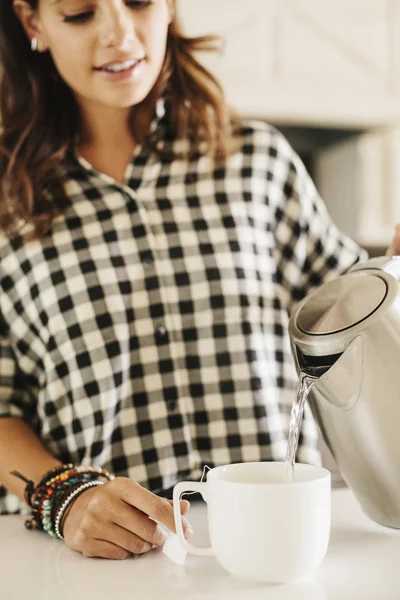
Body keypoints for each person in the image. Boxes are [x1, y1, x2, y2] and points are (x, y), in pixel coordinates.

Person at [0, 0, 399, 560]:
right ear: (32, 22)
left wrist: (393, 282)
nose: (118, 34)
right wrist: (64, 498)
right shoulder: (8, 204)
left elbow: (352, 319)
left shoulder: (256, 161)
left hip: (281, 550)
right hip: (109, 564)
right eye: (80, 13)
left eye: (138, 2)